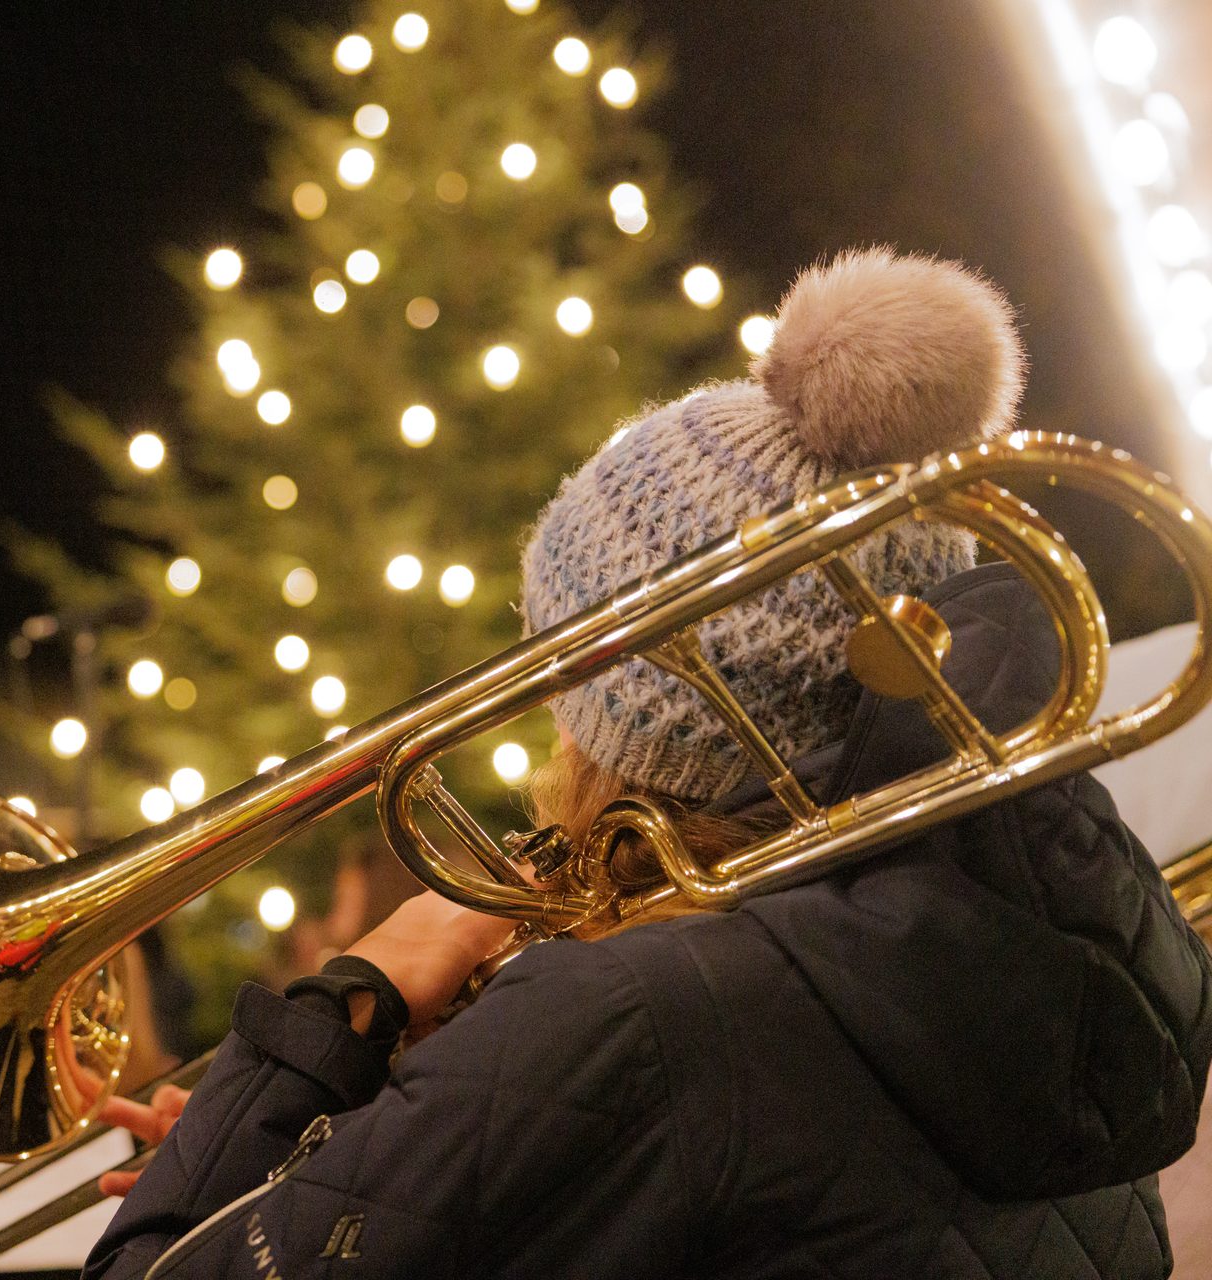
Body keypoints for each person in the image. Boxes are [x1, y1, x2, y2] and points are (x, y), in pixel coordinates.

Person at [82, 250, 1212, 1278]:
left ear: (647, 717)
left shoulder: (634, 1011)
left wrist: (360, 989)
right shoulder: (1052, 924)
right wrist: (339, 1155)